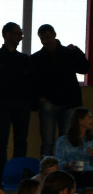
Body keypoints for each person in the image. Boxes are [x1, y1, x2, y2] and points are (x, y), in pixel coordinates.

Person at [30, 24, 90, 157]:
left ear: (54, 35)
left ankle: (52, 172)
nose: (45, 41)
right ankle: (59, 173)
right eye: (42, 38)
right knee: (51, 141)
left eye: (47, 37)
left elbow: (85, 68)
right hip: (62, 101)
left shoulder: (66, 54)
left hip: (61, 103)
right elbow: (32, 82)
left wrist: (76, 52)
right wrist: (39, 97)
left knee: (60, 141)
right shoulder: (39, 58)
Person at [0, 22, 32, 184]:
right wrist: (19, 76)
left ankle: (17, 177)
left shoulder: (23, 58)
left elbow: (24, 80)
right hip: (4, 104)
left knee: (21, 142)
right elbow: (5, 79)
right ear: (7, 34)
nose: (20, 36)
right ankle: (0, 178)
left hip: (19, 103)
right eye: (17, 33)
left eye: (21, 33)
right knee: (1, 142)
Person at [54, 107, 93, 180]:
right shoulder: (63, 140)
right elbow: (59, 162)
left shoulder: (91, 140)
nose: (92, 120)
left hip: (90, 174)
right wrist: (68, 165)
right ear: (80, 120)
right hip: (71, 176)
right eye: (89, 118)